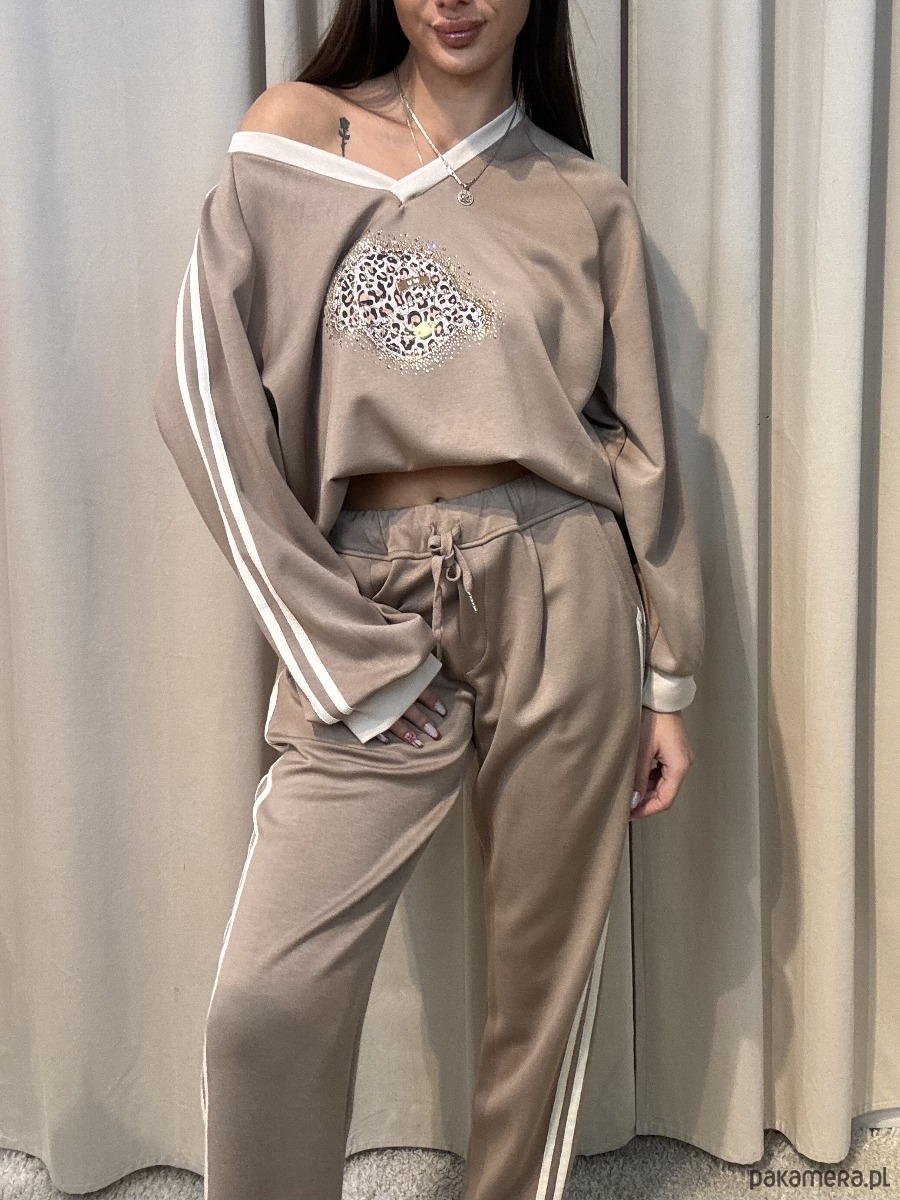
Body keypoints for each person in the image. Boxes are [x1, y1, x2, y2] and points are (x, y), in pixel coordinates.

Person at [152, 0, 705, 1196]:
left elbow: (644, 453)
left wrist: (667, 680)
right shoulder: (299, 135)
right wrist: (339, 653)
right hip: (367, 592)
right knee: (264, 1005)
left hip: (564, 585)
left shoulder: (586, 200)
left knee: (539, 998)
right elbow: (202, 399)